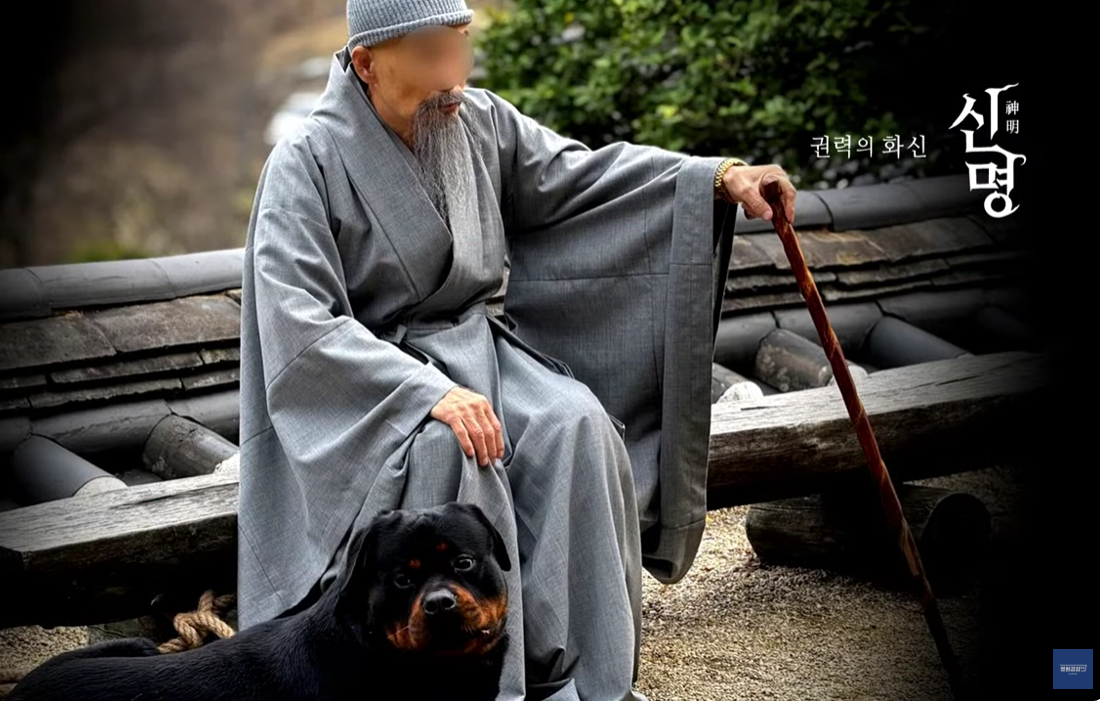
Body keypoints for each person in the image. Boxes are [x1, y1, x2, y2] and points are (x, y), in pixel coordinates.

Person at [236, 1, 798, 699]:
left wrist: (716, 178)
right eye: (433, 54)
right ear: (367, 63)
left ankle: (587, 680)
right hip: (372, 384)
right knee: (452, 446)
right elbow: (300, 319)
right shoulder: (305, 161)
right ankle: (478, 687)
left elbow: (583, 177)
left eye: (460, 46)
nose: (455, 74)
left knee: (575, 421)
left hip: (481, 348)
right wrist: (427, 394)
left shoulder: (476, 118)